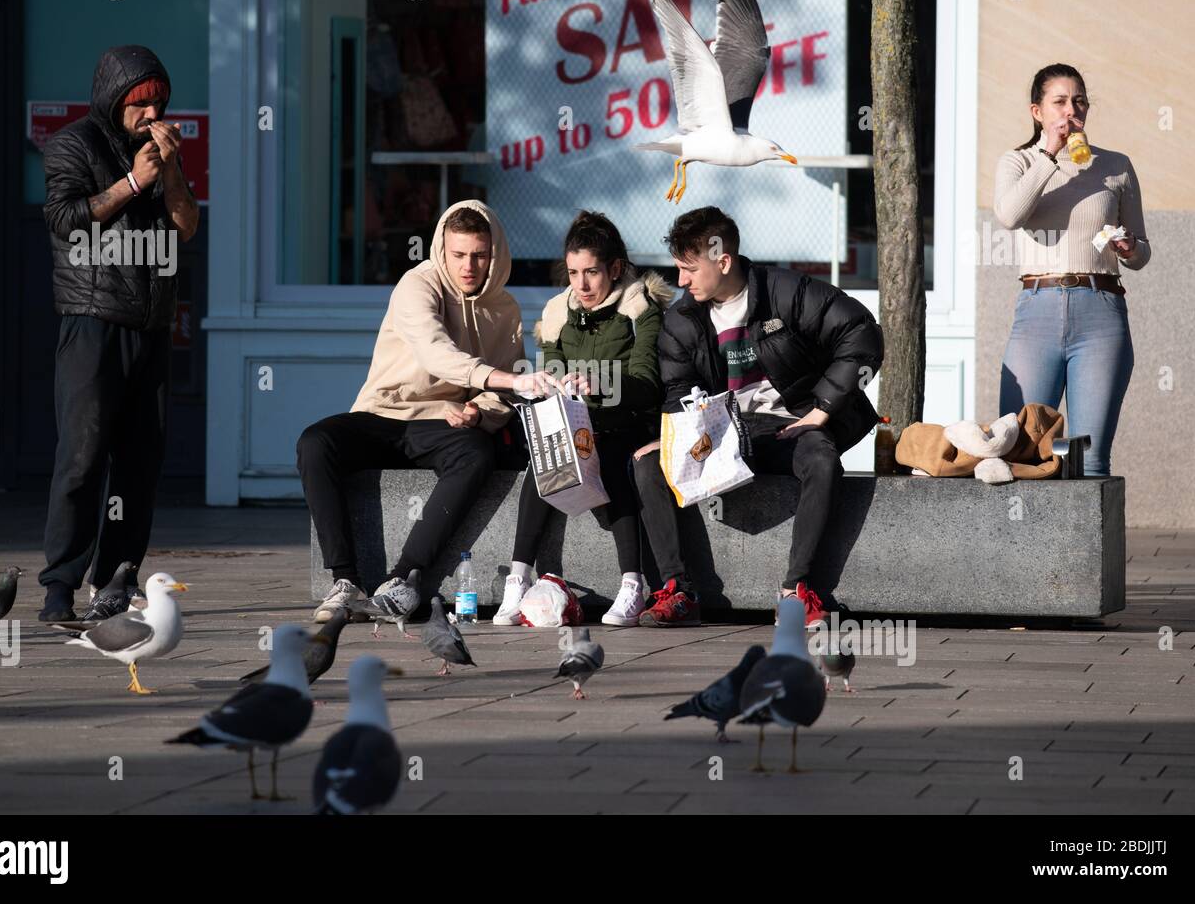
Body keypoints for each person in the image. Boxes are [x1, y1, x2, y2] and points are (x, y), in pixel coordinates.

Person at [299, 200, 558, 623]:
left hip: (443, 424)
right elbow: (437, 353)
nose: (468, 265)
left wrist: (478, 409)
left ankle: (403, 579)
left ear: (495, 254)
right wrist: (510, 383)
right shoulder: (416, 286)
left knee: (476, 453)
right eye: (458, 255)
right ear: (442, 250)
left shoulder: (504, 308)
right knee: (315, 442)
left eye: (479, 254)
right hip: (385, 413)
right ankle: (345, 582)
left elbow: (502, 392)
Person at [630, 206, 883, 627]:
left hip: (791, 425)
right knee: (648, 464)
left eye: (689, 269)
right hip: (725, 432)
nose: (681, 281)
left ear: (723, 261)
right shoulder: (682, 319)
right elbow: (677, 391)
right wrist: (675, 437)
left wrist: (823, 408)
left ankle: (797, 592)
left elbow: (862, 332)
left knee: (822, 461)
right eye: (678, 269)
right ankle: (677, 591)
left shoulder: (785, 291)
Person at [37, 45, 199, 622]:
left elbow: (184, 227)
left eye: (159, 103)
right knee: (81, 458)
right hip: (92, 321)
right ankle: (58, 586)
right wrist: (133, 181)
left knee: (139, 462)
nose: (152, 114)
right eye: (141, 104)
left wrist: (172, 168)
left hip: (150, 326)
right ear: (114, 101)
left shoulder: (162, 151)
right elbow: (63, 219)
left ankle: (117, 579)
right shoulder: (72, 145)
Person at [492, 211, 674, 627]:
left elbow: (647, 383)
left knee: (610, 462)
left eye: (592, 272)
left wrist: (601, 382)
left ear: (614, 268)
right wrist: (552, 387)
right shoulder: (558, 313)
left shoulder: (639, 308)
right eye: (574, 272)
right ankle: (517, 579)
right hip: (575, 424)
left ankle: (632, 584)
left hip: (628, 424)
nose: (582, 284)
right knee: (544, 463)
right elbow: (554, 375)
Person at [994, 63, 1148, 476]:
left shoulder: (1115, 165)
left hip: (1100, 310)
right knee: (1020, 449)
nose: (1070, 110)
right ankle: (1025, 542)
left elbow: (1142, 250)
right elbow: (1010, 215)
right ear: (1037, 111)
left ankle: (1086, 544)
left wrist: (1130, 248)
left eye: (1078, 101)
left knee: (1089, 457)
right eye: (1059, 102)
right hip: (1037, 310)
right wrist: (1050, 152)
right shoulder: (1020, 161)